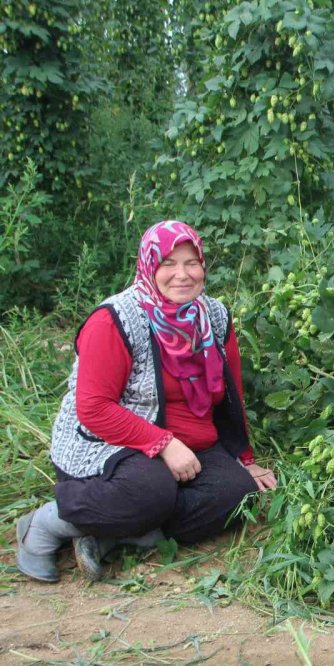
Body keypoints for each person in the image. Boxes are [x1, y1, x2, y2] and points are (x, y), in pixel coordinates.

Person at [16, 220, 277, 583]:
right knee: (150, 491)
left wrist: (244, 459)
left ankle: (114, 534)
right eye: (168, 264)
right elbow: (93, 408)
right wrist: (163, 443)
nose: (182, 274)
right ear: (149, 266)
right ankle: (48, 523)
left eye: (191, 263)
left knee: (237, 494)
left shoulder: (214, 316)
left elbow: (232, 396)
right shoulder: (115, 319)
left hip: (190, 446)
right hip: (109, 443)